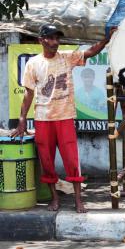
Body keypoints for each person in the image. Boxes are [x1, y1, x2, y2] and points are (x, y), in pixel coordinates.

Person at [11, 24, 115, 213]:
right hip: (43, 119)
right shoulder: (33, 63)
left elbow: (90, 52)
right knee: (47, 161)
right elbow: (28, 94)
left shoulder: (67, 57)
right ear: (41, 40)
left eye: (57, 38)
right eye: (50, 38)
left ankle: (78, 200)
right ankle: (55, 199)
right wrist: (22, 119)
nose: (55, 42)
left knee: (71, 161)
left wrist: (107, 39)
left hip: (65, 117)